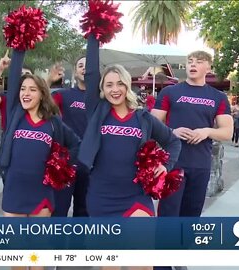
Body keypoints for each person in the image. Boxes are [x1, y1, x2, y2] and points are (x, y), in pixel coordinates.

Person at [78, 34, 181, 270]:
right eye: (109, 85)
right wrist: (94, 35)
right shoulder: (96, 111)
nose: (115, 89)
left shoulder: (143, 117)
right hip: (102, 197)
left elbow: (173, 142)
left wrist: (166, 166)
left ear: (127, 84)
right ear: (102, 88)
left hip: (136, 196)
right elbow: (92, 71)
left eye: (120, 83)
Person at [0, 49, 79, 220]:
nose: (26, 93)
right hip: (14, 190)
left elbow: (77, 144)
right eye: (23, 89)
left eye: (32, 90)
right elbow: (16, 68)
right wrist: (20, 45)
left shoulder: (53, 122)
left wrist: (60, 163)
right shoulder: (15, 114)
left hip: (41, 192)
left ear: (42, 95)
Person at [151, 51, 233, 220]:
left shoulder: (218, 97)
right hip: (173, 163)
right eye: (190, 61)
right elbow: (150, 126)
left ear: (208, 68)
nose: (193, 64)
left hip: (200, 164)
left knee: (191, 216)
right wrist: (172, 131)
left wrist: (207, 131)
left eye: (199, 61)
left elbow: (227, 132)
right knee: (168, 215)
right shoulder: (169, 92)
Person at [46, 58, 90, 217]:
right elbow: (40, 101)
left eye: (88, 65)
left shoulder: (101, 98)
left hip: (89, 164)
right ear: (75, 71)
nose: (84, 69)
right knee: (58, 211)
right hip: (65, 163)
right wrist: (48, 80)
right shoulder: (63, 95)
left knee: (84, 212)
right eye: (80, 66)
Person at [0, 50, 33, 131]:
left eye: (27, 74)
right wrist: (0, 69)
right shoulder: (7, 99)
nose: (24, 77)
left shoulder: (37, 101)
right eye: (20, 74)